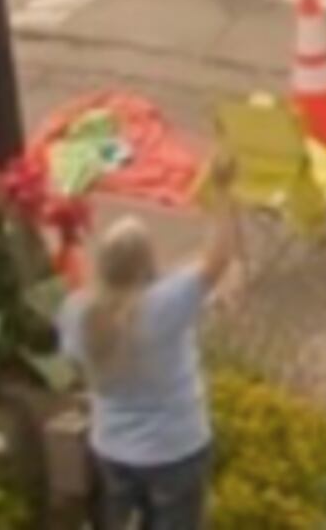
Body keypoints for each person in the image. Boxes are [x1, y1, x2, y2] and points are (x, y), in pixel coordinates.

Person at [60, 185, 245, 530]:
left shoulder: (78, 311)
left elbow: (74, 363)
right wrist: (223, 196)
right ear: (147, 262)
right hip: (176, 448)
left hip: (112, 447)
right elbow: (217, 259)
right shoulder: (164, 305)